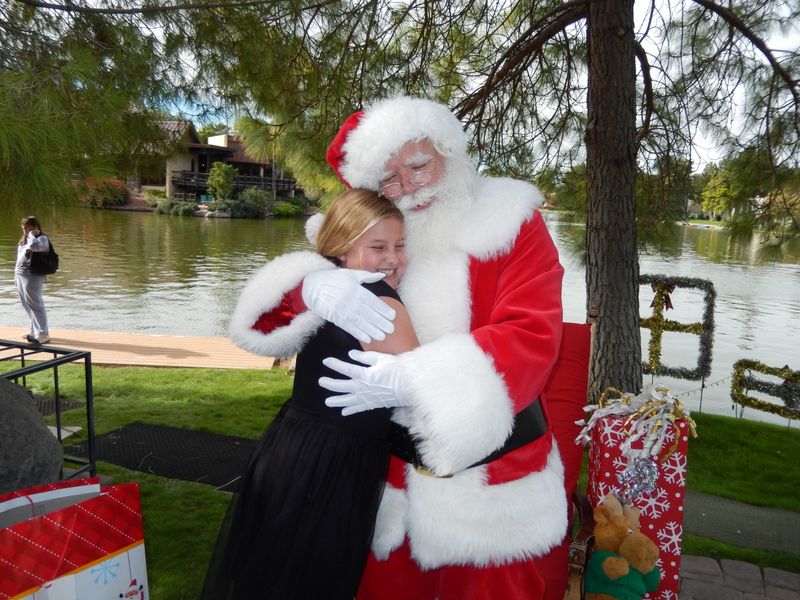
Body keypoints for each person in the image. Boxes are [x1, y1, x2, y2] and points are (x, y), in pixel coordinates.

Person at [228, 96, 567, 600]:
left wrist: (413, 379)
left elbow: (532, 335)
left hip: (493, 490)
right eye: (389, 179)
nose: (408, 187)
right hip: (384, 485)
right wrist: (310, 286)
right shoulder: (370, 235)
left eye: (418, 165)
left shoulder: (510, 223)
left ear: (447, 153)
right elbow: (261, 324)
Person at [213, 189, 418, 599]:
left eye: (399, 245)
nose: (393, 258)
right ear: (342, 248)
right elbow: (422, 387)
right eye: (377, 247)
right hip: (335, 462)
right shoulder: (381, 302)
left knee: (273, 575)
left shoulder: (326, 289)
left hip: (291, 447)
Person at [15, 216, 52, 345]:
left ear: (34, 227)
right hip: (21, 275)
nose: (24, 229)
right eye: (23, 227)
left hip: (33, 277)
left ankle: (43, 334)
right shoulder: (24, 240)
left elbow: (34, 247)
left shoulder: (41, 239)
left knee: (36, 305)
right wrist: (16, 275)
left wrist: (31, 235)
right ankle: (33, 330)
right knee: (27, 304)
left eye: (27, 227)